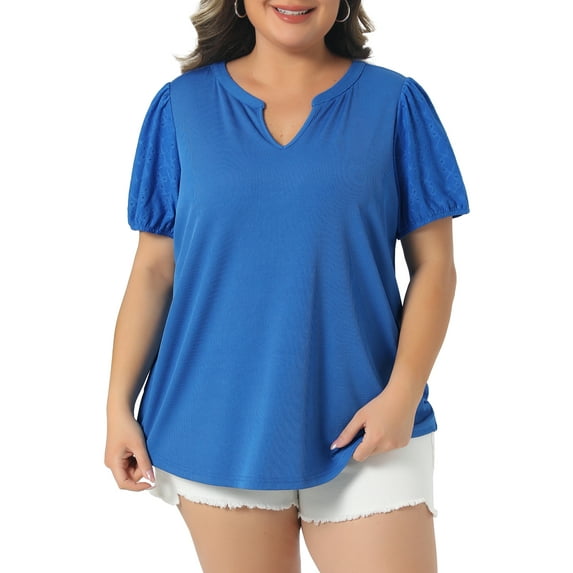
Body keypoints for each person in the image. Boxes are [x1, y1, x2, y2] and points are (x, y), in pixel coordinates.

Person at [104, 1, 469, 571]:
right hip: (215, 426)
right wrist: (117, 407)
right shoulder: (180, 109)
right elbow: (154, 271)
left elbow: (435, 268)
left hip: (371, 423)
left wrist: (401, 396)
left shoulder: (396, 104)